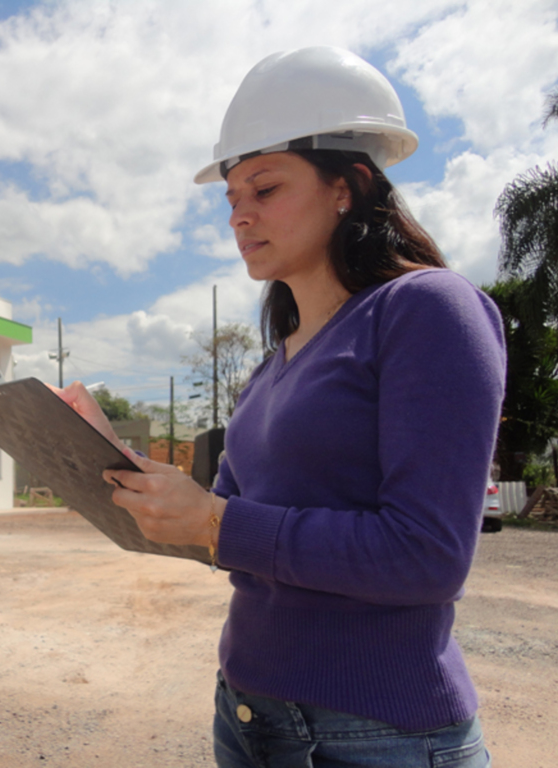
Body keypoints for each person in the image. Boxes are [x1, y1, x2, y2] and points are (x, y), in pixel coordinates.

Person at [52, 47, 505, 767]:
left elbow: (428, 556)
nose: (240, 216)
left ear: (347, 187)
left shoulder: (427, 309)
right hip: (246, 711)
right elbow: (225, 532)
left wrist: (214, 520)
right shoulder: (270, 369)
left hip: (375, 733)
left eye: (264, 188)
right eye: (232, 199)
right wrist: (122, 471)